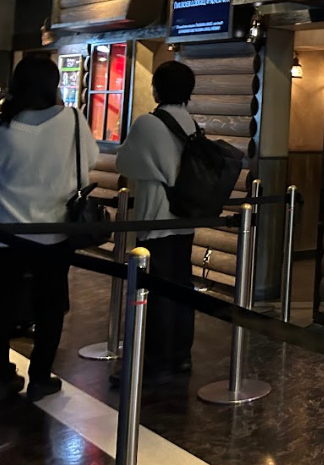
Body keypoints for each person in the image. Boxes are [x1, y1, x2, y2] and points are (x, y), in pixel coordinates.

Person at [0, 55, 99, 401]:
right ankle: (40, 377)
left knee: (3, 304)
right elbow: (90, 160)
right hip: (55, 233)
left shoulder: (5, 126)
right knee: (50, 308)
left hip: (6, 236)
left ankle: (2, 377)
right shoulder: (73, 120)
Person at [114, 60, 197, 386]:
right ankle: (181, 356)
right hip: (185, 219)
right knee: (182, 287)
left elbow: (123, 162)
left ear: (157, 89)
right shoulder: (192, 124)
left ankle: (154, 362)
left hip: (155, 219)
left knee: (153, 292)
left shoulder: (148, 123)